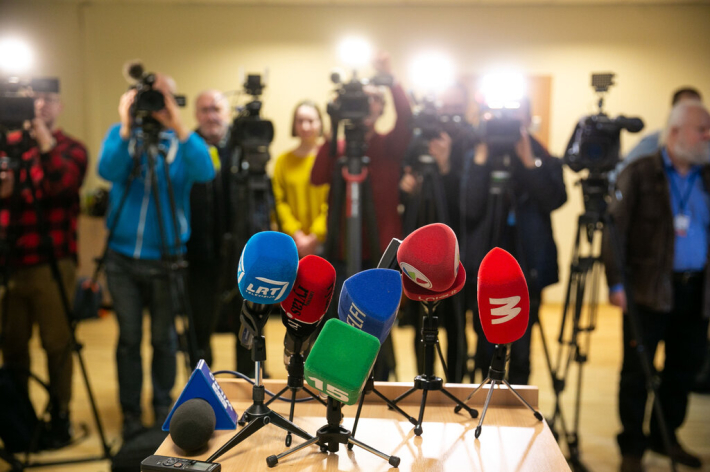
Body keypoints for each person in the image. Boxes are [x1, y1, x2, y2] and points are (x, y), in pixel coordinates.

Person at [98, 74, 214, 439]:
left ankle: (164, 407)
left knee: (164, 338)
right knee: (129, 339)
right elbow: (107, 170)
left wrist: (178, 126)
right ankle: (131, 413)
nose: (154, 106)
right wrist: (125, 126)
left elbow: (205, 170)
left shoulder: (181, 143)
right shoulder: (123, 137)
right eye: (149, 98)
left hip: (167, 257)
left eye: (162, 98)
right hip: (122, 258)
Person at [603, 100, 710, 472]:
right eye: (701, 129)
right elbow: (615, 230)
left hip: (696, 291)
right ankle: (632, 447)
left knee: (683, 368)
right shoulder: (640, 172)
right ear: (676, 132)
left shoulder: (706, 176)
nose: (708, 136)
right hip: (646, 291)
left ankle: (666, 437)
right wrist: (616, 283)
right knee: (638, 371)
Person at [311, 51, 412, 380]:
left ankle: (381, 377)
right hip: (342, 250)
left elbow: (407, 120)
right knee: (341, 315)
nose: (367, 105)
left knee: (378, 320)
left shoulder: (388, 146)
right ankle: (336, 376)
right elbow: (317, 176)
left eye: (374, 99)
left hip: (380, 250)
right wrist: (334, 127)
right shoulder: (339, 149)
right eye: (362, 98)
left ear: (382, 107)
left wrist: (391, 79)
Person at [0, 88, 88, 448]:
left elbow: (63, 185)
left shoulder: (71, 148)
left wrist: (42, 139)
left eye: (47, 98)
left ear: (59, 105)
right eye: (31, 98)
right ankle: (17, 419)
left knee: (57, 344)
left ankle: (60, 417)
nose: (39, 105)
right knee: (12, 347)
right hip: (10, 263)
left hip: (53, 262)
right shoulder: (8, 146)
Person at [463, 99, 567, 386]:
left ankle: (519, 399)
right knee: (485, 340)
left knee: (522, 346)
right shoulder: (479, 153)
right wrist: (481, 159)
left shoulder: (541, 154)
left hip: (528, 262)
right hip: (486, 262)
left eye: (514, 115)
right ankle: (485, 397)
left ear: (527, 119)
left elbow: (555, 199)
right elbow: (470, 207)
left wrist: (529, 162)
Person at [399, 82, 475, 382]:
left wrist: (444, 166)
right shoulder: (417, 141)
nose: (449, 116)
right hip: (422, 243)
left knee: (455, 320)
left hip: (455, 242)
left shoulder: (469, 140)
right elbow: (403, 184)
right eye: (445, 108)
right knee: (420, 317)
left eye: (456, 109)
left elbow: (469, 202)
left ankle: (455, 383)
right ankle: (423, 379)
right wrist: (406, 187)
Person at [272, 100, 329, 258]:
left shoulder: (328, 160)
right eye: (300, 121)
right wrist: (297, 235)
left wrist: (315, 237)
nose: (305, 126)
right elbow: (278, 202)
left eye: (310, 121)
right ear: (294, 124)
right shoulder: (283, 161)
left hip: (325, 243)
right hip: (291, 244)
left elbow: (332, 202)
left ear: (320, 123)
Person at [622, 87, 703, 168]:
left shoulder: (704, 145)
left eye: (698, 109)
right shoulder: (655, 140)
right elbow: (622, 169)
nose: (694, 114)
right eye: (687, 109)